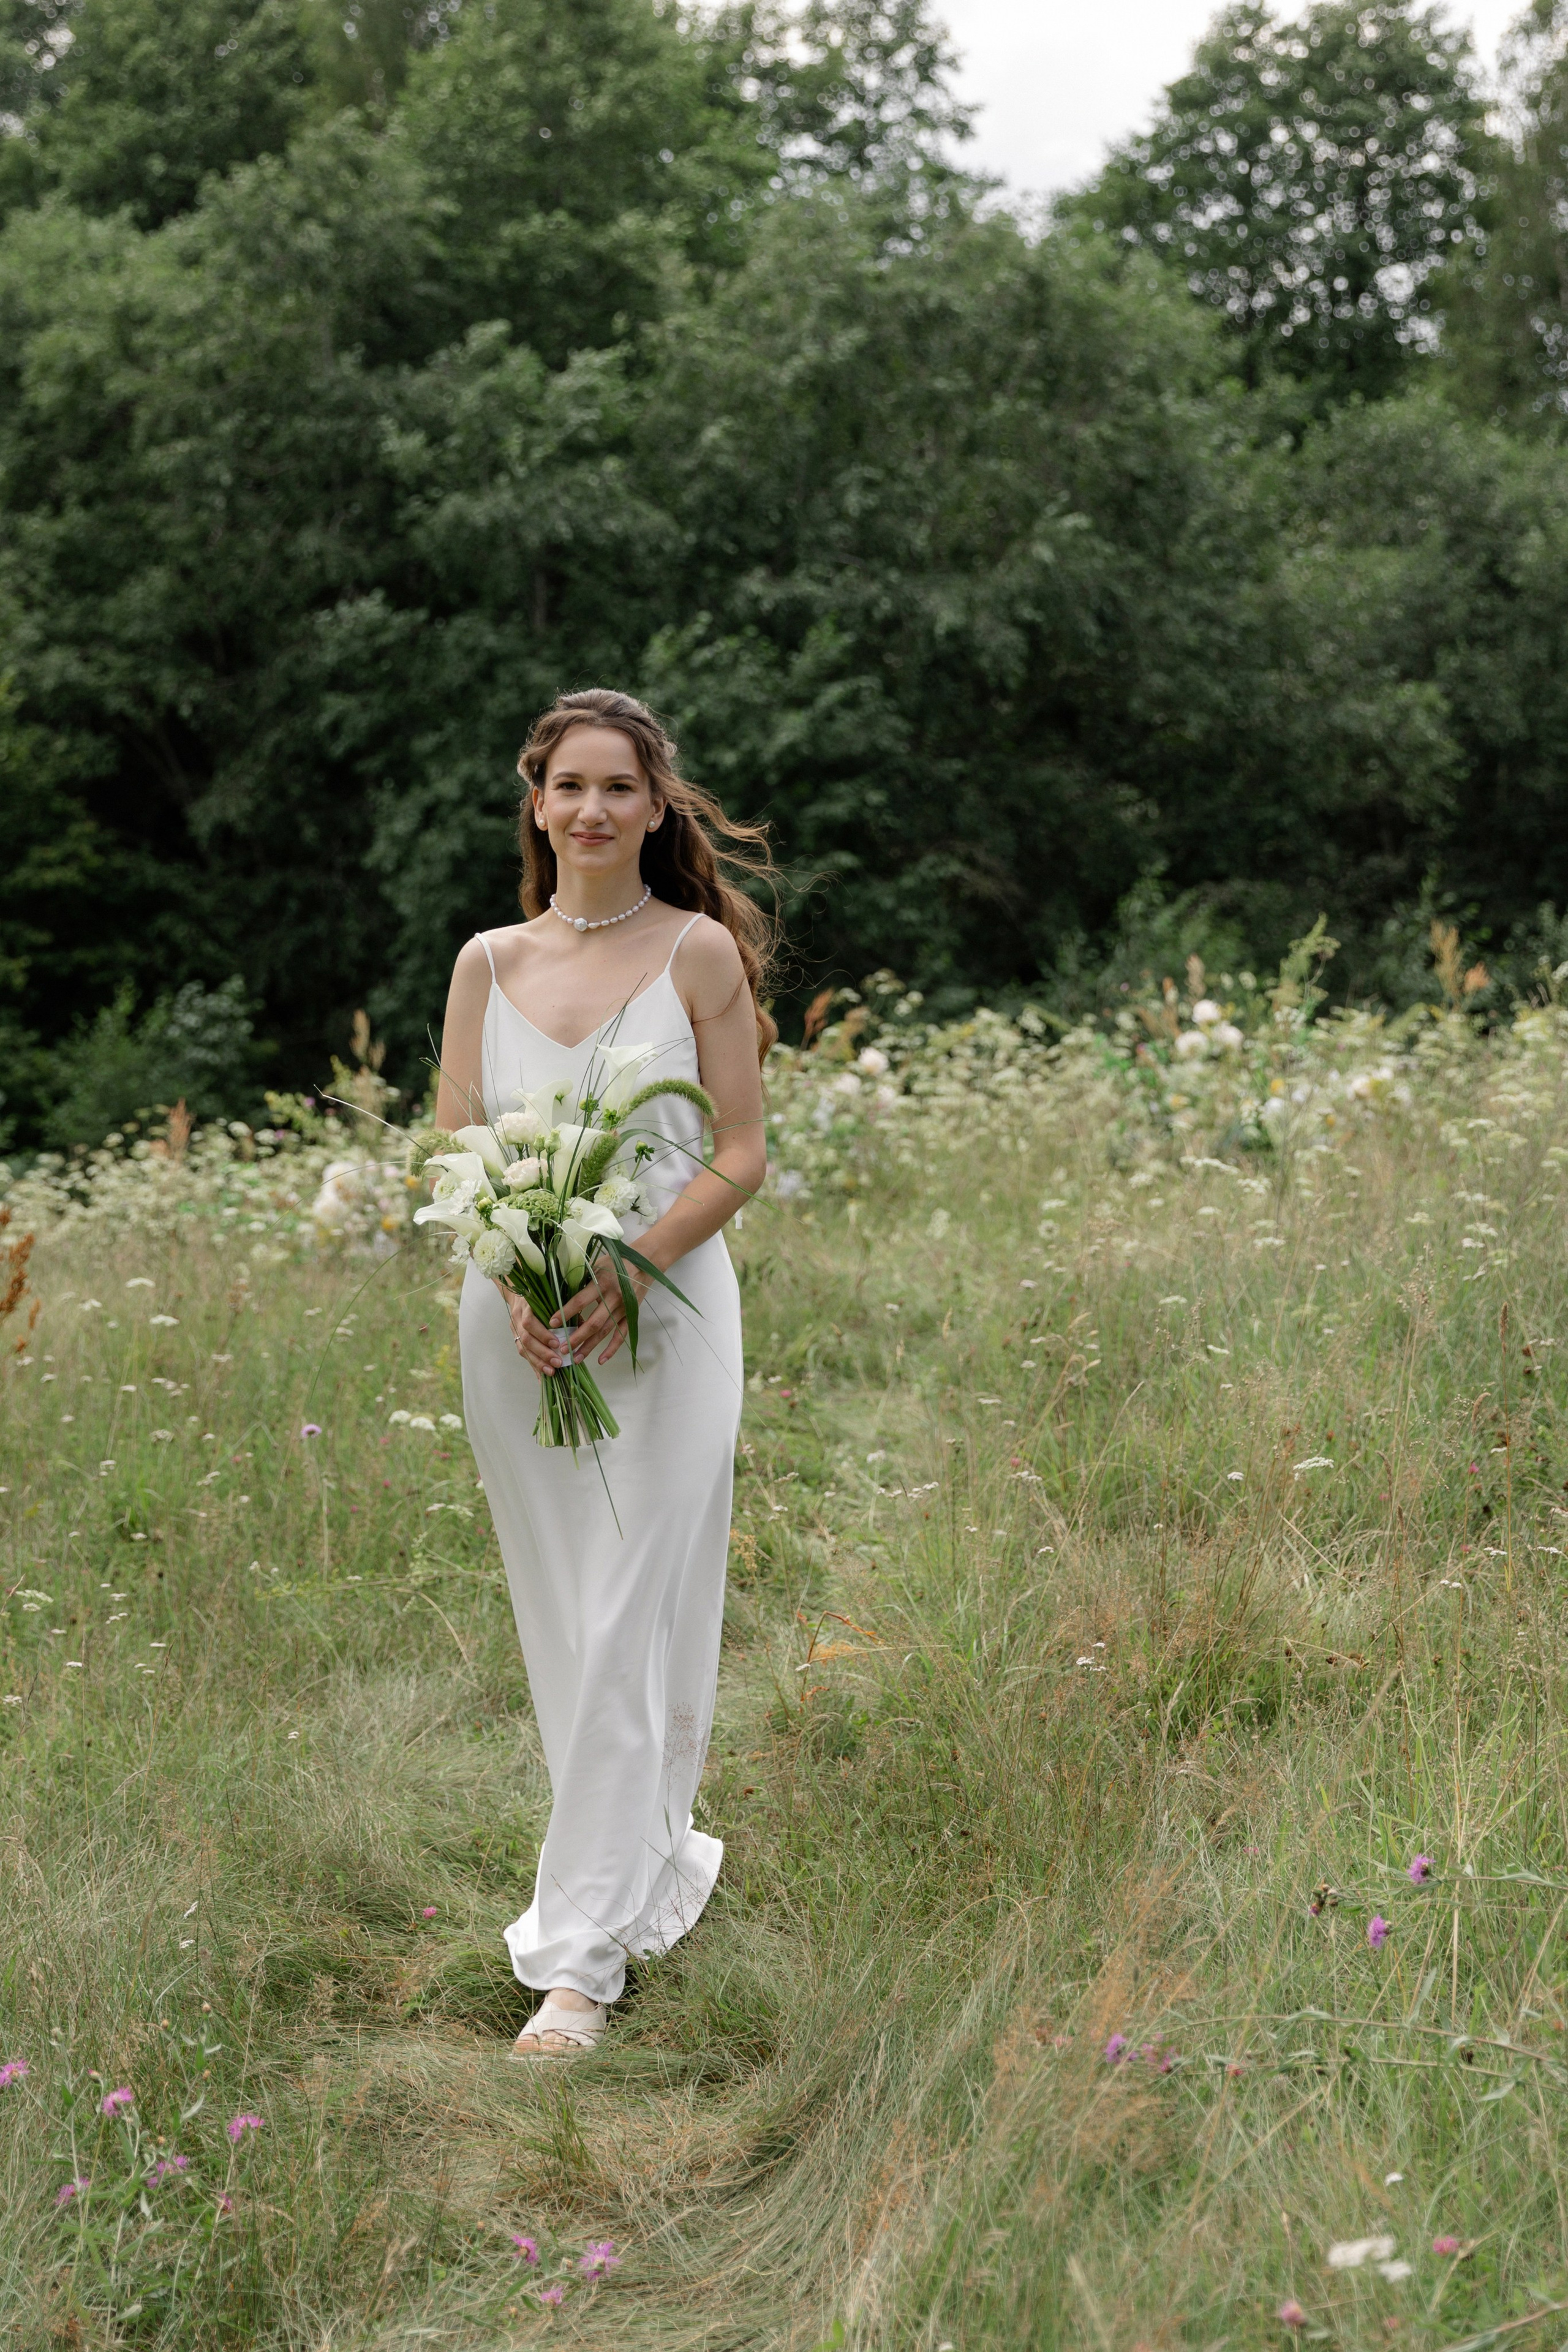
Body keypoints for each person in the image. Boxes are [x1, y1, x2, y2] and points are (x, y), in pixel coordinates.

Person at [432, 688, 772, 2057]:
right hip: (517, 1328)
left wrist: (633, 1269)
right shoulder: (483, 963)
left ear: (654, 806)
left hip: (669, 1317)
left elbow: (739, 1152)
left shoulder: (697, 952)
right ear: (536, 802)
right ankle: (640, 1864)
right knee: (570, 1618)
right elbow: (457, 1148)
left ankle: (576, 1968)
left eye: (618, 787)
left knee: (634, 1608)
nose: (591, 809)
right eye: (568, 785)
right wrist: (515, 1277)